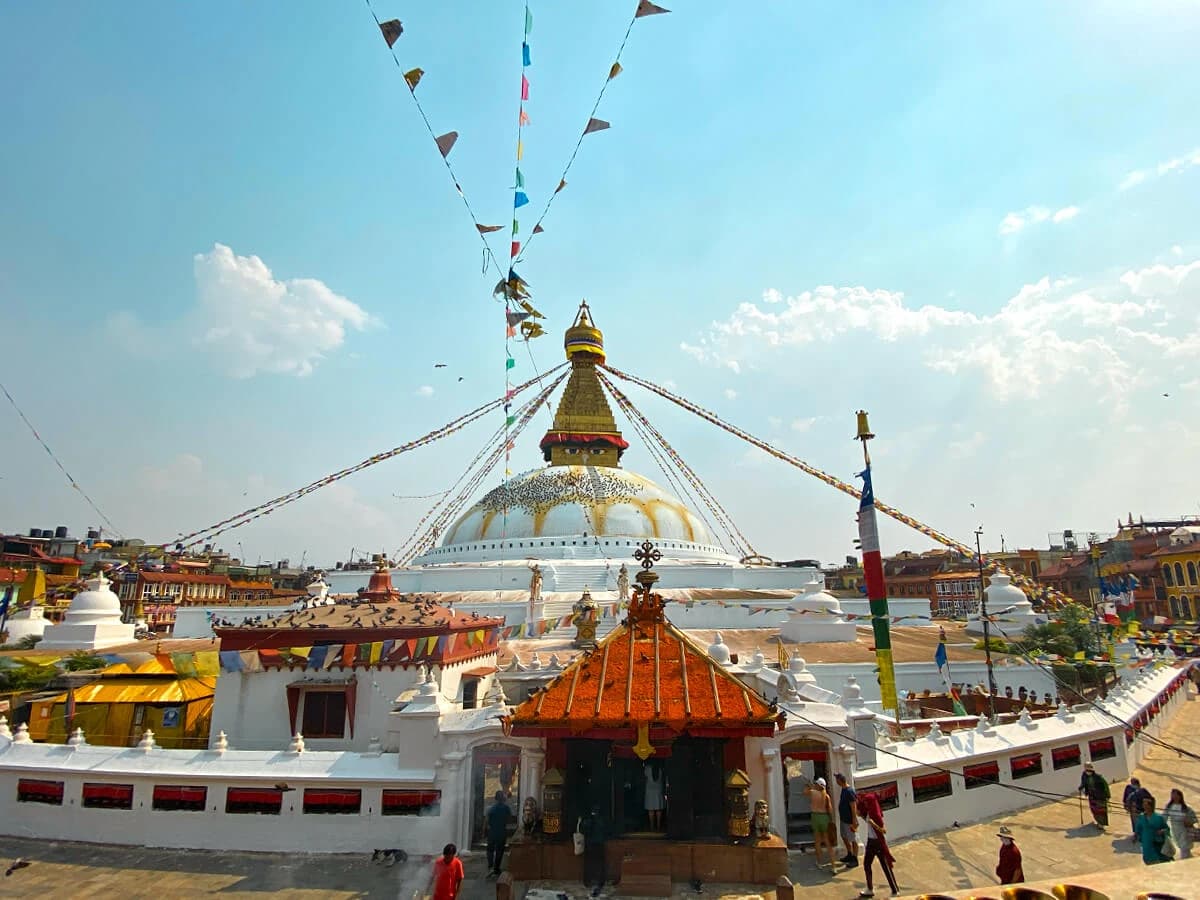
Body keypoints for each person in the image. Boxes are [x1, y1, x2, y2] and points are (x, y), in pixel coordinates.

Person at [857, 791, 899, 898]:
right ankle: (870, 889)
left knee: (885, 866)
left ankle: (895, 890)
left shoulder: (876, 814)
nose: (866, 804)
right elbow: (861, 814)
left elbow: (883, 830)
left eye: (867, 802)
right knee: (867, 864)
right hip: (871, 841)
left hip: (878, 843)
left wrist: (874, 824)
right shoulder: (869, 812)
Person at [1134, 796, 1172, 865]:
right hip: (1146, 843)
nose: (1144, 806)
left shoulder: (1159, 818)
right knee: (1148, 860)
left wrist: (1162, 831)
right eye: (1143, 804)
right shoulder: (1141, 817)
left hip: (1157, 844)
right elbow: (1138, 829)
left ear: (1151, 806)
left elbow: (1167, 829)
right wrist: (1136, 836)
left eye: (1146, 805)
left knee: (1158, 862)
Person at [807, 777, 835, 868]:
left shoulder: (813, 793)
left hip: (815, 817)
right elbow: (830, 810)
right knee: (828, 842)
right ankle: (833, 865)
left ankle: (819, 862)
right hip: (824, 817)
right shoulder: (826, 796)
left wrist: (809, 785)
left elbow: (804, 792)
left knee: (818, 842)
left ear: (818, 785)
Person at [580, 805, 608, 896]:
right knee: (599, 864)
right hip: (599, 844)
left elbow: (582, 830)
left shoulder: (588, 820)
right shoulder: (602, 821)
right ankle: (598, 882)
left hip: (590, 844)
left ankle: (589, 881)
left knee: (590, 863)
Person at [1163, 788, 1196, 860]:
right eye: (1173, 794)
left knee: (1184, 848)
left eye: (1176, 794)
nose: (1174, 796)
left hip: (1185, 830)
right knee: (1182, 847)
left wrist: (1188, 821)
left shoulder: (1186, 808)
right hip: (1175, 830)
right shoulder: (1169, 807)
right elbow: (1164, 818)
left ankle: (1185, 861)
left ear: (1180, 796)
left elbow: (1194, 818)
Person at [485, 790, 512, 878]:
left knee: (490, 849)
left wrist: (484, 830)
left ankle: (490, 866)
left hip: (492, 831)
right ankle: (496, 868)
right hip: (501, 831)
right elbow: (509, 819)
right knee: (500, 850)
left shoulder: (490, 808)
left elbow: (487, 821)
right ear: (503, 798)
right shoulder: (506, 808)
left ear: (495, 798)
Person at [835, 773, 860, 868]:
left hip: (849, 821)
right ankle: (849, 853)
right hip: (843, 819)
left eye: (837, 779)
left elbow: (853, 806)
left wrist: (854, 820)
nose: (836, 781)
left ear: (840, 780)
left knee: (853, 839)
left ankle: (855, 858)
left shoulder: (849, 791)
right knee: (844, 836)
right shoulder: (844, 790)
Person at [1078, 763, 1110, 830]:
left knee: (1101, 811)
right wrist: (1081, 787)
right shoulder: (1084, 776)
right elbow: (1083, 783)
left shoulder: (1098, 777)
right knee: (1094, 810)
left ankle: (1101, 824)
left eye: (1089, 770)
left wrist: (1107, 796)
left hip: (1100, 796)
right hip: (1092, 796)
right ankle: (1098, 821)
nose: (1088, 772)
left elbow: (1105, 786)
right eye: (1087, 770)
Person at [644, 762, 665, 832]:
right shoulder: (660, 768)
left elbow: (645, 777)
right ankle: (658, 826)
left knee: (651, 809)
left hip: (649, 790)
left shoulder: (647, 768)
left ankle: (652, 826)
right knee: (658, 808)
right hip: (658, 789)